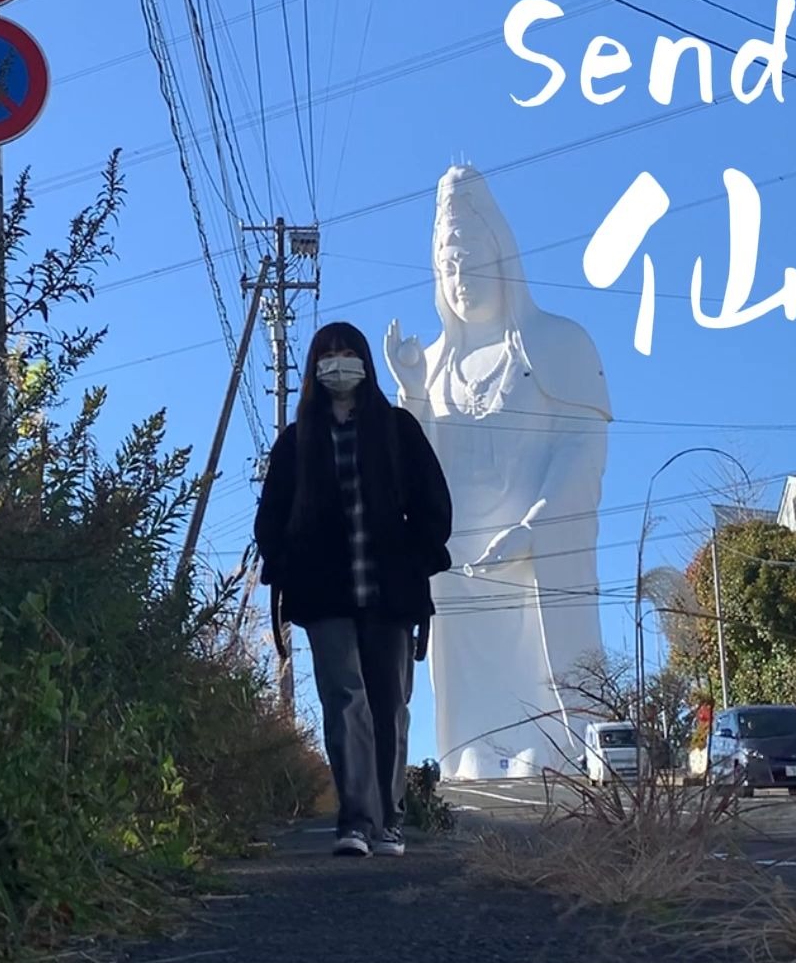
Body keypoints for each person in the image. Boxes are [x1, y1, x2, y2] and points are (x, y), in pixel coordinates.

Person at [384, 164, 613, 781]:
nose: (459, 279)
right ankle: (473, 745)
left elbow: (582, 447)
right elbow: (415, 468)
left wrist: (537, 526)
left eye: (470, 260)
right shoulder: (432, 362)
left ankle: (549, 741)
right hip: (457, 555)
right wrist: (413, 395)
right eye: (447, 266)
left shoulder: (558, 342)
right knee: (465, 645)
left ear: (502, 255)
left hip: (532, 545)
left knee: (532, 641)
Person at [255, 321, 454, 857]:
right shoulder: (297, 440)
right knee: (345, 701)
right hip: (324, 596)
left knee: (389, 705)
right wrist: (286, 568)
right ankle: (356, 821)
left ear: (365, 362)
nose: (338, 363)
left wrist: (418, 558)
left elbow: (434, 504)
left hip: (391, 592)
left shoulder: (397, 428)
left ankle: (388, 820)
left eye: (347, 353)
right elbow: (270, 518)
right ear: (313, 368)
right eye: (328, 355)